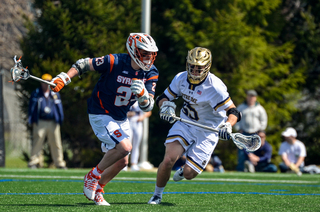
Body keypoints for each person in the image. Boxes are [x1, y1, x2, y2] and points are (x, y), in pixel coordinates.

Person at [49, 33, 159, 206]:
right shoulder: (114, 61)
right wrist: (65, 77)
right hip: (100, 112)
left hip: (120, 117)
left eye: (151, 54)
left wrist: (143, 95)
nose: (148, 58)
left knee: (123, 161)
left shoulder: (151, 72)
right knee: (125, 147)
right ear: (133, 50)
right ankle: (92, 176)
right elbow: (83, 64)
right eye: (144, 53)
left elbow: (148, 106)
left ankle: (99, 188)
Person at [148, 47, 242, 204]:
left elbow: (234, 111)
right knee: (169, 159)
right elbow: (163, 97)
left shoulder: (215, 86)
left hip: (207, 131)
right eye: (192, 66)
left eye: (199, 68)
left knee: (189, 173)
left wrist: (228, 125)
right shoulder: (180, 78)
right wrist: (165, 107)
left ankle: (184, 171)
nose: (194, 70)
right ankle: (157, 195)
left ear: (207, 67)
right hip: (186, 123)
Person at [27, 73, 67, 169]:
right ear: (41, 83)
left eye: (48, 82)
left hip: (53, 122)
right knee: (38, 142)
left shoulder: (55, 94)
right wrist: (31, 119)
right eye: (44, 82)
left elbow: (59, 107)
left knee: (56, 143)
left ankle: (59, 163)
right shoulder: (36, 93)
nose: (46, 84)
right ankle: (34, 162)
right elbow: (31, 108)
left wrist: (60, 119)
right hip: (40, 121)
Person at [235, 89, 268, 171]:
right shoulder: (241, 107)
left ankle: (253, 169)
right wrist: (238, 129)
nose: (251, 98)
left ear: (255, 98)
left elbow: (264, 120)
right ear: (247, 97)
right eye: (249, 96)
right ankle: (241, 170)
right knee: (242, 153)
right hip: (243, 133)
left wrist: (261, 130)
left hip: (255, 134)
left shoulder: (260, 109)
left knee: (253, 152)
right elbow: (236, 118)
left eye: (253, 96)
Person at [127, 101, 152, 171]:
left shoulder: (141, 101)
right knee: (127, 144)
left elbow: (149, 111)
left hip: (138, 124)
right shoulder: (128, 100)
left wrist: (142, 117)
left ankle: (134, 163)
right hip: (128, 123)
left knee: (136, 145)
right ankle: (124, 164)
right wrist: (128, 114)